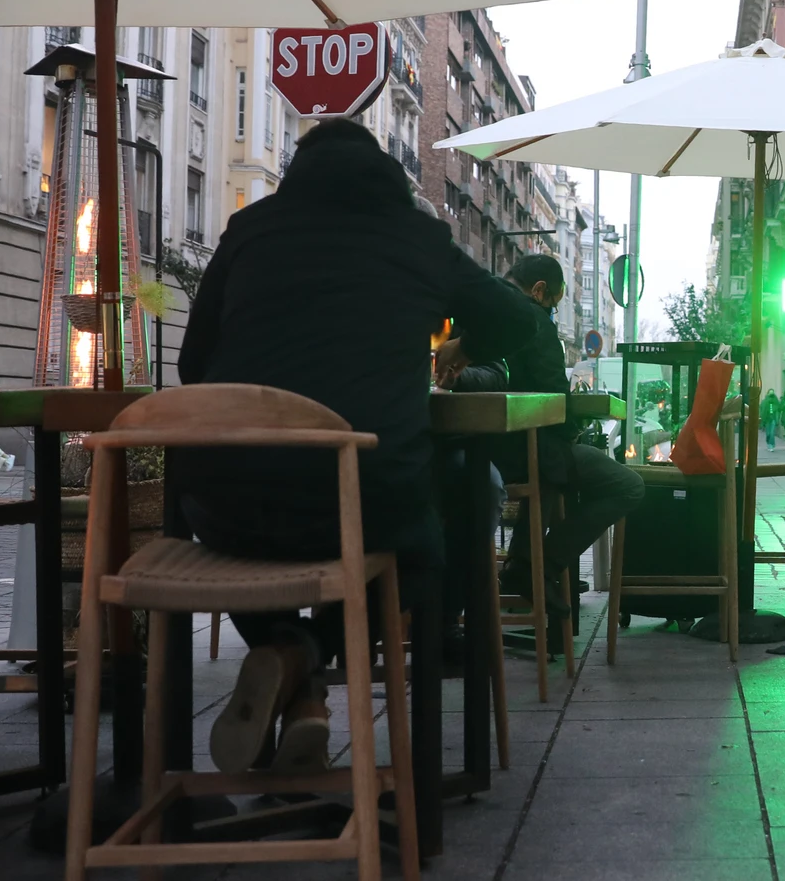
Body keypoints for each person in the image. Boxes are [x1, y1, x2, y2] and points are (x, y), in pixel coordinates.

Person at [173, 119, 536, 774]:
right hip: (368, 496)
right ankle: (302, 656)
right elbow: (520, 318)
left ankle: (299, 689)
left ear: (296, 174)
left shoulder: (249, 231)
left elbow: (191, 364)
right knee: (427, 532)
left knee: (265, 503)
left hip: (224, 504)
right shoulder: (418, 238)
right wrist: (461, 343)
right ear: (387, 178)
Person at [443, 254, 645, 631]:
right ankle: (540, 566)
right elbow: (555, 403)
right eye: (554, 303)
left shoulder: (472, 311)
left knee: (555, 469)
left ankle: (526, 561)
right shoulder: (532, 321)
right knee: (627, 485)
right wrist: (575, 426)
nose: (553, 312)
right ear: (539, 291)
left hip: (479, 451)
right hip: (525, 454)